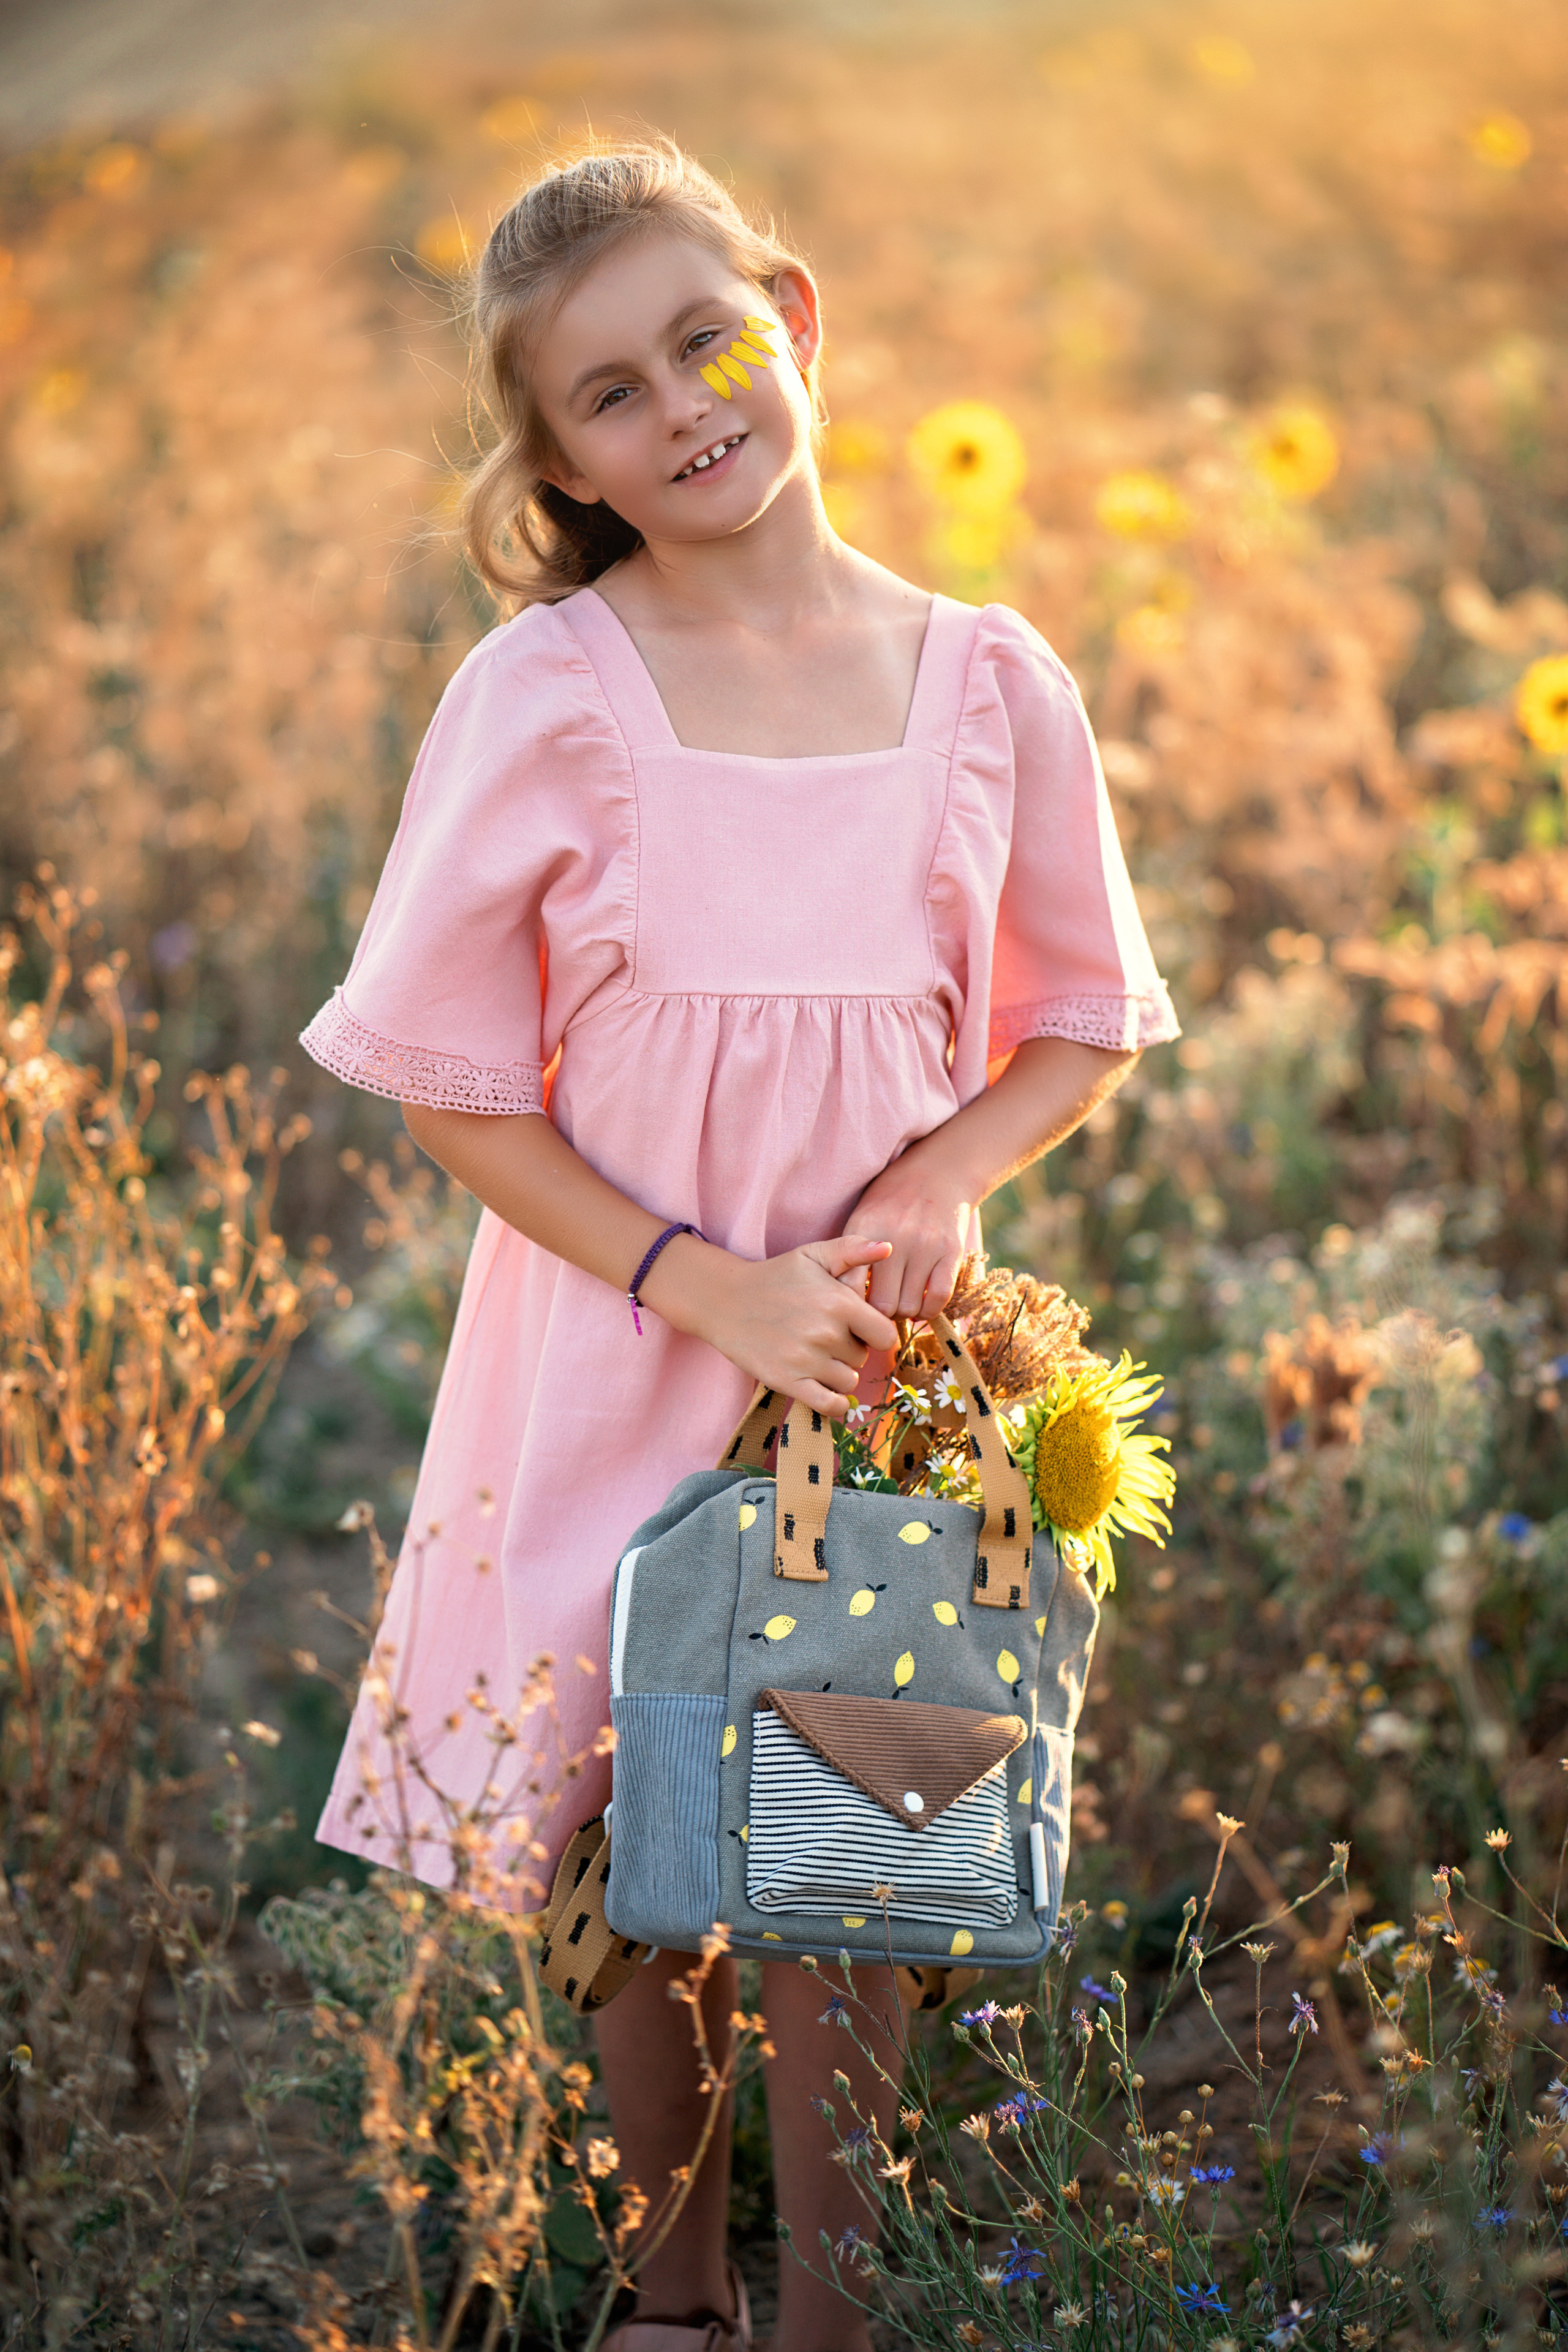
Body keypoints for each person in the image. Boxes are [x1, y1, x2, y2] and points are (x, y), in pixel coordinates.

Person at [299, 140, 1178, 2352]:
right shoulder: (548, 691)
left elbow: (1078, 1019)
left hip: (876, 1364)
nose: (683, 405)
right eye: (606, 393)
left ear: (793, 310)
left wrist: (943, 1179)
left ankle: (839, 2311)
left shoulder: (984, 679)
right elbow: (447, 1080)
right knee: (631, 1836)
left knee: (848, 1822)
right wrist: (697, 1273)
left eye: (707, 338)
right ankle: (676, 2294)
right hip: (624, 1332)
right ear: (556, 454)